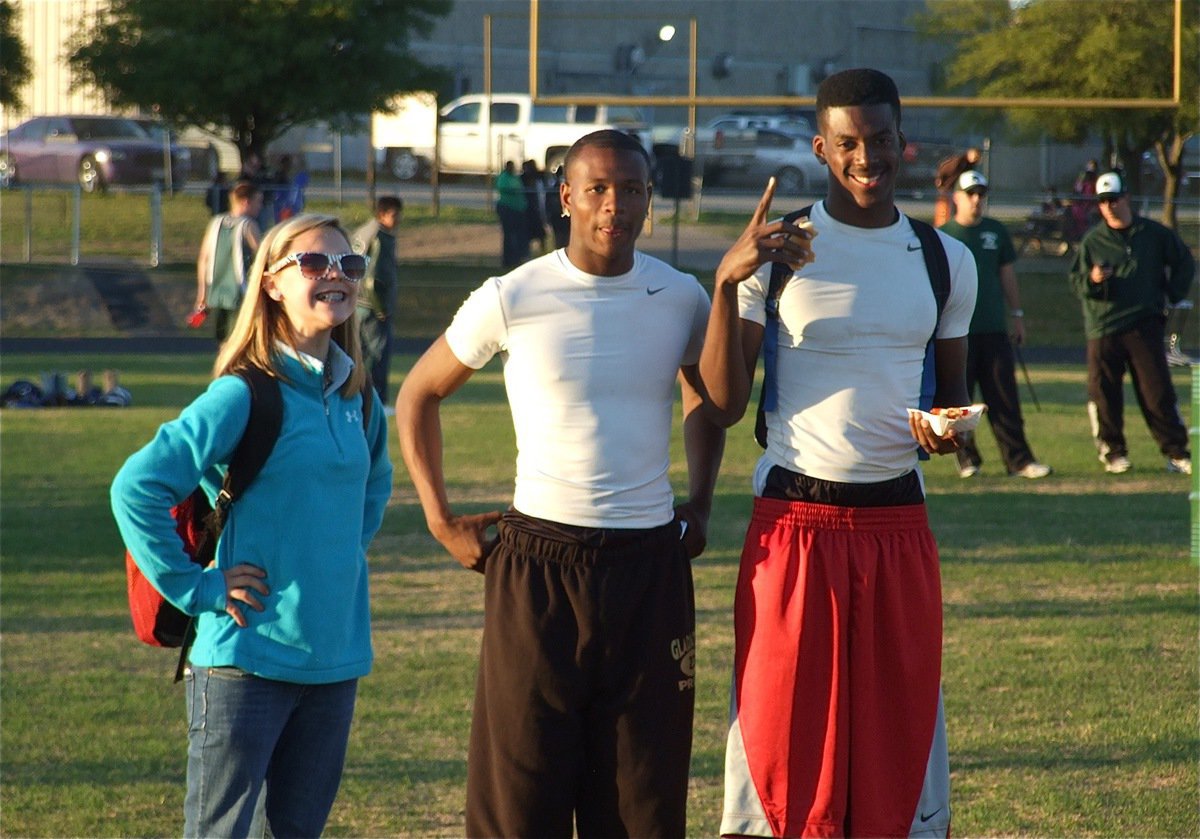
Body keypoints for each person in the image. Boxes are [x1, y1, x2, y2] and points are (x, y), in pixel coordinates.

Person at [396, 129, 725, 838]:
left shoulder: (681, 296)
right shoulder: (513, 295)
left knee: (644, 803)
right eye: (599, 189)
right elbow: (418, 394)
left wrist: (699, 500)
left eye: (632, 188)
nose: (616, 205)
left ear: (648, 196)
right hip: (537, 569)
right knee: (520, 803)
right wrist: (438, 516)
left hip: (649, 569)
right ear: (567, 195)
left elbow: (704, 396)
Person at [700, 68, 977, 838]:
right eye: (848, 142)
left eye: (880, 140)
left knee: (898, 756)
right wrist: (728, 282)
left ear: (901, 142)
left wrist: (950, 431)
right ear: (822, 147)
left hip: (896, 521)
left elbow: (953, 407)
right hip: (794, 517)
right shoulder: (782, 248)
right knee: (781, 761)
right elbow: (723, 403)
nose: (866, 157)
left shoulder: (944, 258)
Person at [112, 213, 393, 837]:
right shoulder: (243, 393)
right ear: (270, 283)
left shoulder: (359, 397)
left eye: (349, 264)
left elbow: (374, 489)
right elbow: (136, 487)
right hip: (245, 660)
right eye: (314, 264)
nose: (335, 277)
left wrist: (331, 563)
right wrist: (197, 588)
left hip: (334, 662)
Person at [1068, 171, 1194, 475]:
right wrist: (1094, 280)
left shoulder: (1153, 233)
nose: (1109, 206)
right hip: (1104, 324)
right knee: (1104, 392)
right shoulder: (1093, 240)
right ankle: (1113, 451)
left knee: (1156, 390)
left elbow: (1184, 262)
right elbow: (1077, 281)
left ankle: (1176, 451)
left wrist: (1171, 294)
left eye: (1114, 199)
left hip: (1144, 322)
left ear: (1126, 198)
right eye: (1102, 201)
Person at [939, 170, 1052, 479]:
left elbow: (1006, 274)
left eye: (981, 194)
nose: (977, 200)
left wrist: (1016, 315)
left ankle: (1019, 460)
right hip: (956, 333)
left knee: (1004, 398)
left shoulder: (995, 232)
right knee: (960, 400)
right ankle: (966, 458)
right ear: (957, 198)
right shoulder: (944, 235)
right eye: (971, 194)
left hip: (994, 329)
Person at [195, 180, 263, 343]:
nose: (260, 207)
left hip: (216, 293)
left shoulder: (215, 223)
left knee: (222, 342)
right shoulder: (248, 226)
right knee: (239, 341)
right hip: (240, 293)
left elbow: (203, 260)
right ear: (246, 202)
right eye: (258, 202)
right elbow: (262, 257)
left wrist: (202, 293)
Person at [353, 195, 402, 404]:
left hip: (356, 305)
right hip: (372, 306)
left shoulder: (363, 231)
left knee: (359, 355)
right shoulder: (381, 237)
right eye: (395, 215)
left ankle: (356, 397)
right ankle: (377, 402)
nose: (398, 220)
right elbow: (371, 280)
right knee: (378, 355)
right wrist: (380, 307)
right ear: (382, 214)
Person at [932, 146, 981, 227]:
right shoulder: (959, 161)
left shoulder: (971, 165)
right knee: (945, 209)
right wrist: (940, 179)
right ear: (970, 153)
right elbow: (945, 168)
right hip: (948, 189)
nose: (976, 158)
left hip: (958, 190)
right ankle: (944, 226)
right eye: (975, 156)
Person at [494, 159, 528, 269]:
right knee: (508, 236)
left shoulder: (515, 177)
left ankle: (517, 258)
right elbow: (502, 187)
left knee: (518, 235)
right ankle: (507, 260)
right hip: (507, 208)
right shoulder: (503, 177)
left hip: (518, 210)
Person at [521, 159, 548, 255]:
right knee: (528, 232)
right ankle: (526, 251)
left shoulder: (538, 177)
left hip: (537, 207)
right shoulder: (523, 179)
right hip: (529, 209)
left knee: (541, 232)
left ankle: (543, 250)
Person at [545, 165, 571, 249]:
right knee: (560, 238)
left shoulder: (570, 187)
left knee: (566, 237)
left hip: (564, 216)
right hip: (558, 216)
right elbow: (548, 203)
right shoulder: (554, 188)